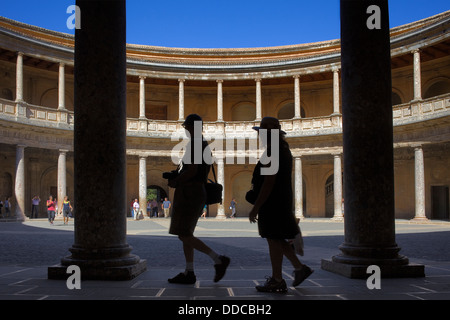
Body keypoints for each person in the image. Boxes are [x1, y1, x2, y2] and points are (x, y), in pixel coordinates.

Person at [248, 117, 313, 293]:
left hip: (273, 202)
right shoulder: (283, 148)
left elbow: (269, 181)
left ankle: (278, 279)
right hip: (281, 200)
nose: (260, 136)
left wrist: (255, 207)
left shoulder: (273, 151)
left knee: (273, 239)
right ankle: (298, 269)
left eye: (262, 132)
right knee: (276, 238)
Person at [167, 114, 230, 284]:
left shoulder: (196, 144)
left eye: (187, 127)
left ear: (192, 127)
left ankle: (218, 259)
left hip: (190, 192)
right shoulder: (203, 145)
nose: (185, 129)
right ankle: (189, 272)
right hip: (195, 190)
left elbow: (193, 171)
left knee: (184, 234)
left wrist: (176, 180)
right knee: (185, 233)